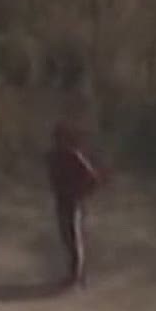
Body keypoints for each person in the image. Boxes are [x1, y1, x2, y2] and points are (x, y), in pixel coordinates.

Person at [47, 120, 103, 289]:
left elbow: (93, 178)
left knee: (73, 236)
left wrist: (82, 194)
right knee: (67, 237)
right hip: (62, 199)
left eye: (60, 137)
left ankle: (76, 276)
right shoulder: (53, 156)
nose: (57, 141)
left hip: (72, 200)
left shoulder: (73, 156)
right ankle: (76, 274)